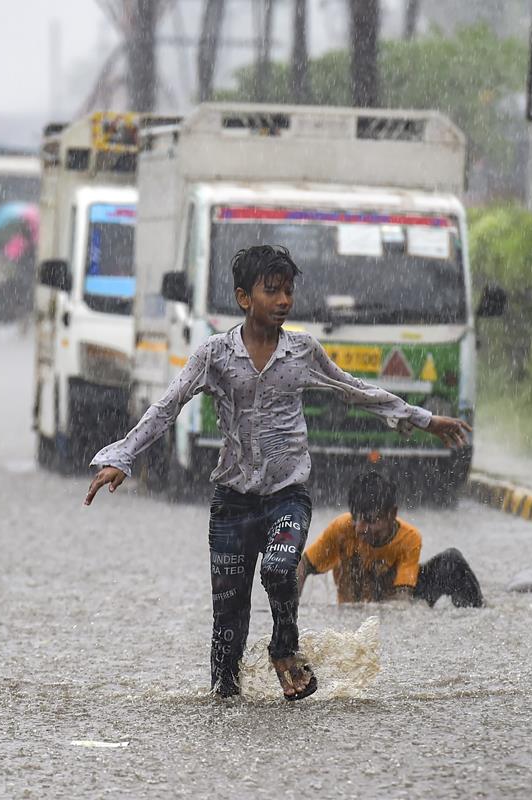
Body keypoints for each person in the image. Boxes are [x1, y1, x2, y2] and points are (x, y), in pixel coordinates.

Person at [83, 245, 472, 701]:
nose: (284, 300)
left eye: (288, 291)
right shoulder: (215, 355)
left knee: (281, 565)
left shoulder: (302, 352)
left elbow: (355, 390)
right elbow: (168, 407)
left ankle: (284, 647)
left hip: (287, 495)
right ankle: (224, 703)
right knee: (227, 623)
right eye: (273, 291)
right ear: (244, 297)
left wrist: (426, 420)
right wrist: (121, 457)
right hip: (231, 504)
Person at [297, 470, 484, 608]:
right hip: (352, 611)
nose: (361, 528)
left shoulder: (409, 539)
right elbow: (302, 566)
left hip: (392, 602)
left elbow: (403, 600)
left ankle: (478, 610)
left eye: (370, 520)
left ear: (392, 514)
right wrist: (289, 610)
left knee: (451, 561)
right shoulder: (341, 529)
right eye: (356, 519)